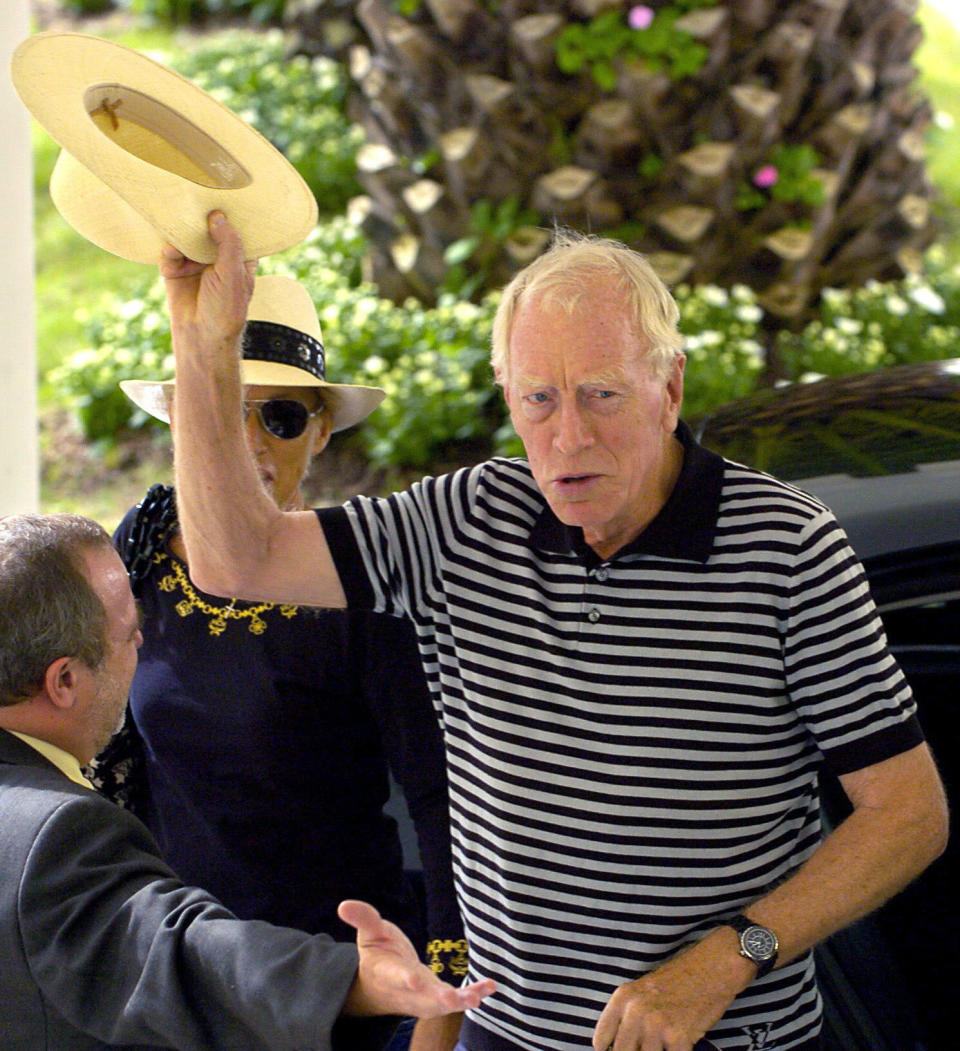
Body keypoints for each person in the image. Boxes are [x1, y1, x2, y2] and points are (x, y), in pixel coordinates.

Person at [162, 211, 948, 1051]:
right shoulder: (464, 521)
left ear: (670, 387)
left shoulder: (788, 548)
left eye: (602, 394)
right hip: (506, 1035)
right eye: (539, 398)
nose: (568, 436)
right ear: (509, 398)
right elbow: (233, 561)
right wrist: (201, 344)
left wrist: (729, 957)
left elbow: (907, 813)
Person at [91, 273, 467, 1051]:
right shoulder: (141, 545)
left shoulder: (362, 584)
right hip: (180, 980)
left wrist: (440, 1019)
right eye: (225, 410)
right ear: (183, 417)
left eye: (283, 415)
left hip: (333, 995)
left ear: (322, 432)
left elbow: (443, 801)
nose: (250, 442)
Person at [0, 511, 495, 1051]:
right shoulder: (56, 831)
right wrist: (353, 981)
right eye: (127, 634)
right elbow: (176, 955)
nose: (144, 638)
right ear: (65, 679)